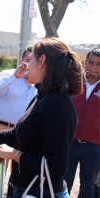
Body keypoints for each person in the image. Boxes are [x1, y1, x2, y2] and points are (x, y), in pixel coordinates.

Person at [0, 37, 84, 198]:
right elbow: (15, 135)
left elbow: (56, 168)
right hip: (24, 190)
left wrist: (14, 154)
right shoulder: (42, 96)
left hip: (39, 192)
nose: (28, 65)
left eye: (32, 59)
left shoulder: (57, 104)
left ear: (42, 60)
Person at [64, 48, 100, 198]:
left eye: (99, 64)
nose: (94, 67)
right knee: (63, 183)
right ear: (85, 62)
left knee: (88, 186)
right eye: (91, 62)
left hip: (94, 147)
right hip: (69, 143)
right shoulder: (72, 82)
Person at [0, 47, 37, 132]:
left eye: (34, 61)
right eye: (28, 60)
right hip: (2, 129)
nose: (30, 64)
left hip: (26, 132)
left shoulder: (40, 82)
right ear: (21, 61)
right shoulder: (7, 75)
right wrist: (14, 77)